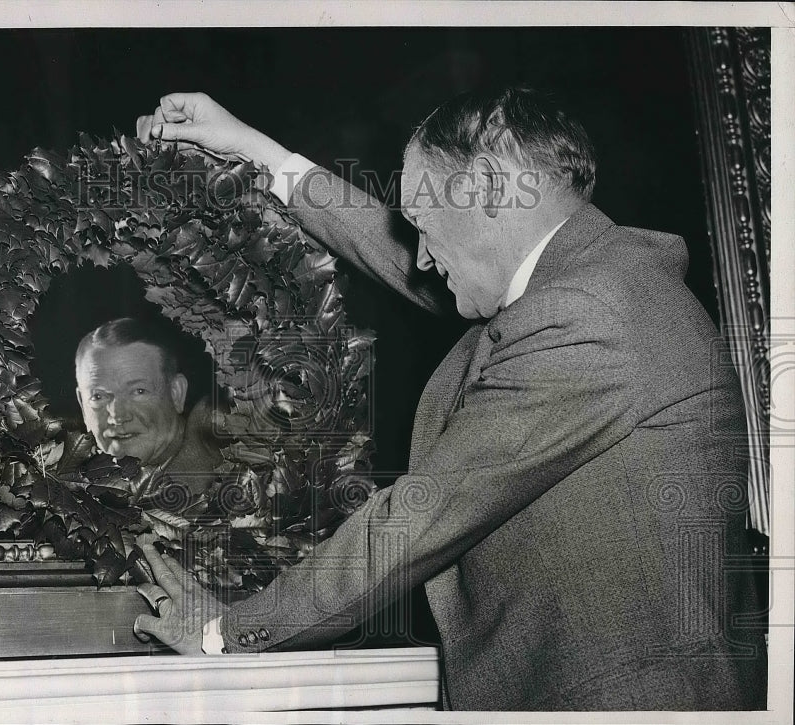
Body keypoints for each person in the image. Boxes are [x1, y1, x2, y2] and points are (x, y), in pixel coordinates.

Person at [130, 89, 767, 710]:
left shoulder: (588, 315)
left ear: (489, 187)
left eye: (425, 225)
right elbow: (398, 256)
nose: (424, 257)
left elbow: (419, 517)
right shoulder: (591, 283)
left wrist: (225, 635)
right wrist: (252, 150)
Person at [75, 316, 222, 494]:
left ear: (176, 393)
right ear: (83, 405)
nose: (118, 416)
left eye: (138, 391)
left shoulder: (221, 480)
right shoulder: (75, 486)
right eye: (98, 396)